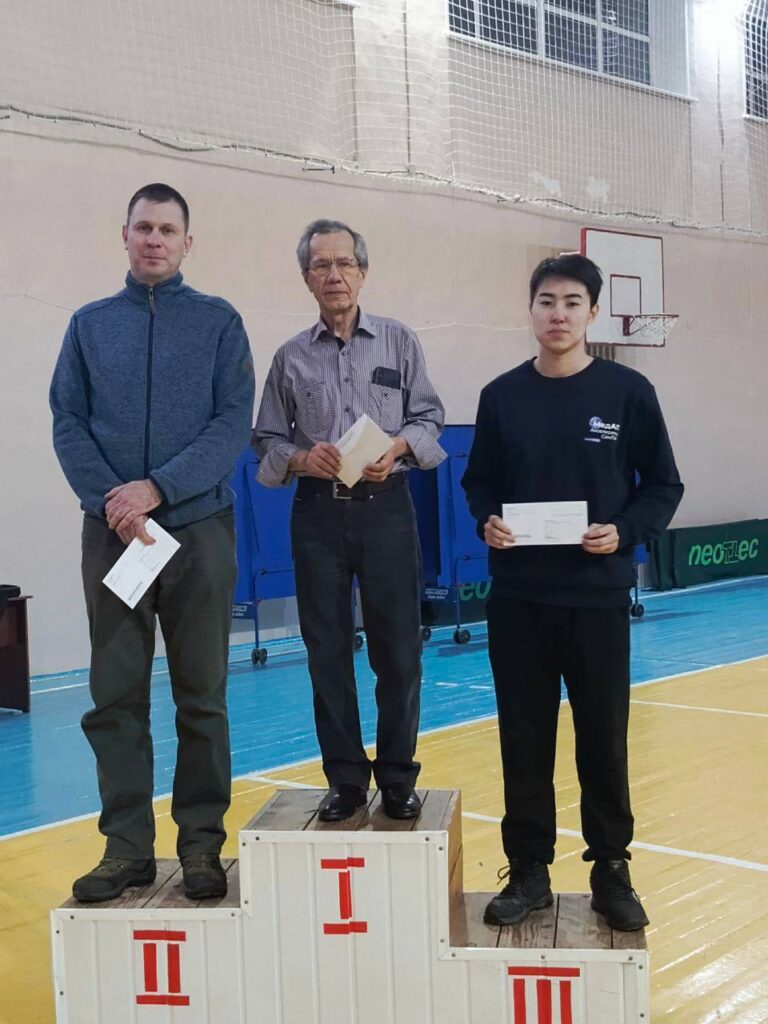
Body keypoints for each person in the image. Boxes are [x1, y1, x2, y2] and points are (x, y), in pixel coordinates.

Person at [462, 253, 683, 931]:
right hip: (519, 600)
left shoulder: (628, 392)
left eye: (571, 303)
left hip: (597, 600)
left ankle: (611, 868)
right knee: (523, 739)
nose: (558, 314)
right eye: (546, 301)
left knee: (603, 740)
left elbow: (663, 485)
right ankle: (529, 870)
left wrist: (625, 532)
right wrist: (487, 520)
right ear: (530, 310)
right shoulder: (501, 396)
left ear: (592, 313)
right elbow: (479, 481)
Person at [50, 183, 255, 902]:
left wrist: (156, 490)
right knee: (114, 697)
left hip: (197, 532)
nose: (155, 239)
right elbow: (67, 421)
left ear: (187, 242)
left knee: (202, 698)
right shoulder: (88, 326)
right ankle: (126, 848)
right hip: (114, 536)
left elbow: (231, 424)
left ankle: (201, 847)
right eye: (143, 227)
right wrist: (116, 502)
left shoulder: (219, 323)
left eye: (168, 229)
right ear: (125, 236)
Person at [254, 218, 445, 821]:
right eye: (321, 265)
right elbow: (265, 439)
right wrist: (300, 458)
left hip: (387, 511)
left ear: (363, 272)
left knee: (399, 651)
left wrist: (400, 446)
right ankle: (344, 780)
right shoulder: (289, 357)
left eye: (344, 264)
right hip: (318, 515)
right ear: (306, 277)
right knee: (326, 652)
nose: (333, 275)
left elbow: (430, 419)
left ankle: (397, 777)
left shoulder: (399, 342)